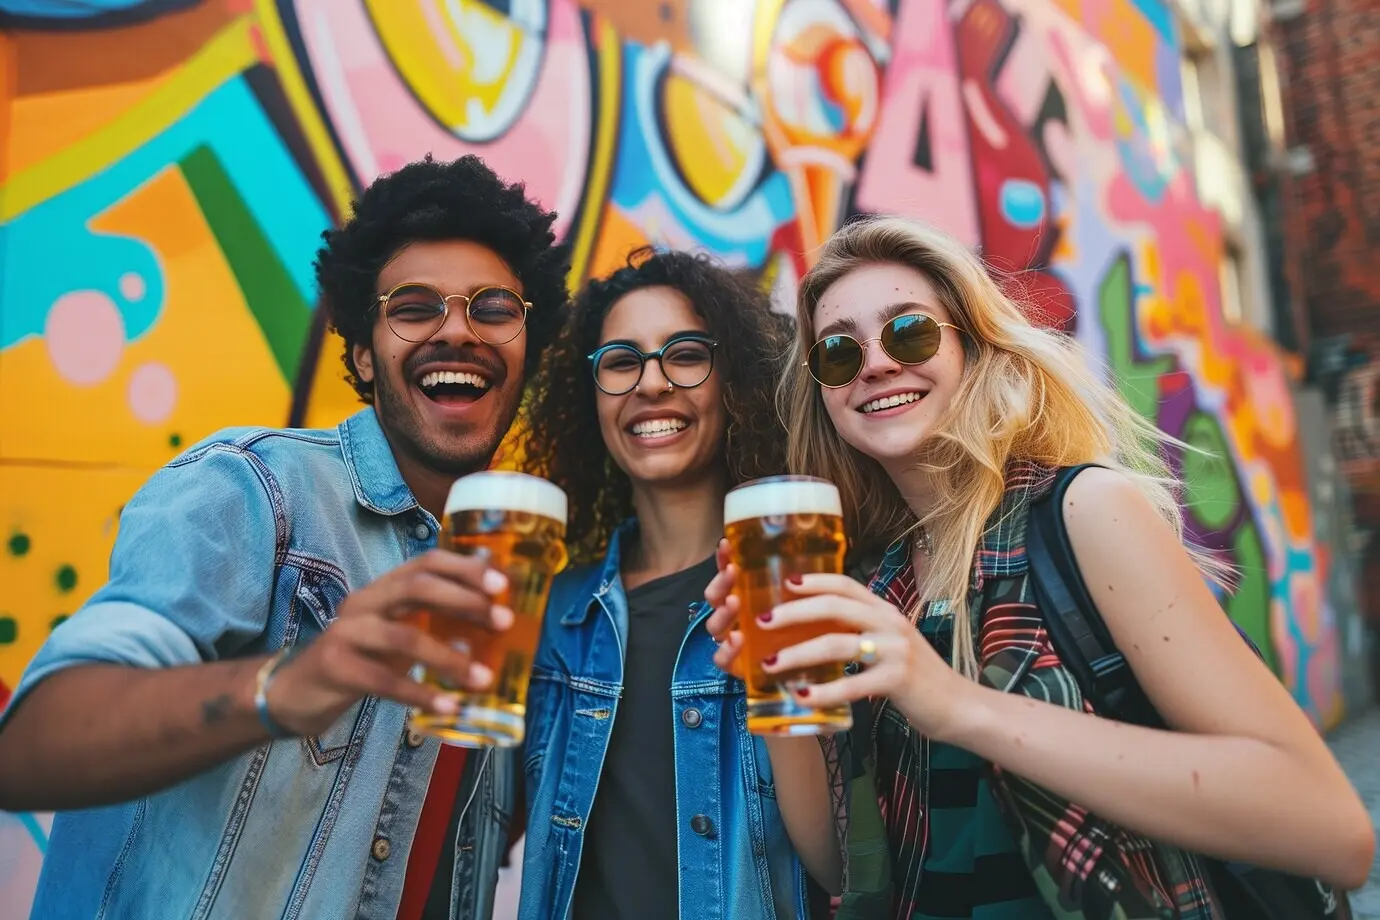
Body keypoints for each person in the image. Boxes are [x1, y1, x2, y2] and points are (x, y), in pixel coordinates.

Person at [707, 215, 1375, 917]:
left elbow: (1330, 830)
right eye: (838, 352)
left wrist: (961, 707)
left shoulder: (1086, 512)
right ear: (825, 394)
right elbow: (843, 860)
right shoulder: (884, 583)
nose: (874, 363)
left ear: (975, 348)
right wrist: (773, 684)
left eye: (909, 332)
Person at [0, 154, 571, 920]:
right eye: (413, 307)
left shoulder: (517, 586)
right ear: (364, 352)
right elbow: (32, 744)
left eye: (493, 308)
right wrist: (289, 685)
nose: (458, 330)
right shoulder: (252, 490)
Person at [516, 248, 833, 920]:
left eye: (685, 354)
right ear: (589, 396)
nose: (651, 384)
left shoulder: (808, 587)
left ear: (737, 380)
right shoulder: (553, 613)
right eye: (622, 362)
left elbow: (840, 862)